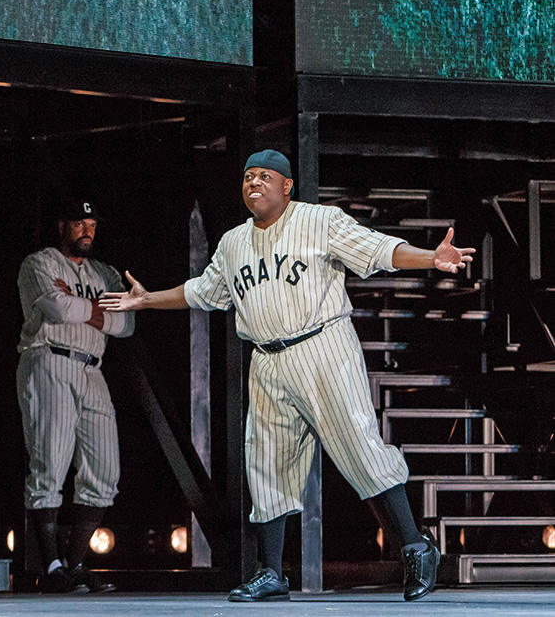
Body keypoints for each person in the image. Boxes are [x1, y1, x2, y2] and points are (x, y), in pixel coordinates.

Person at [100, 150, 472, 602]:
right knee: (266, 463)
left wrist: (431, 257)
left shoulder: (320, 221)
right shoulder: (233, 242)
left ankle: (416, 548)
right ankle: (271, 572)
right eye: (248, 176)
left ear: (287, 186)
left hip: (323, 348)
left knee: (360, 450)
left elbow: (379, 249)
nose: (254, 183)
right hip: (267, 359)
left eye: (265, 176)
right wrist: (147, 300)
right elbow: (204, 290)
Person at [16, 199, 135, 593]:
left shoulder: (104, 271)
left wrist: (81, 307)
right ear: (62, 225)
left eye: (92, 224)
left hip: (91, 366)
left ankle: (74, 563)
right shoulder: (40, 263)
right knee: (49, 463)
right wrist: (97, 310)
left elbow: (126, 323)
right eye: (79, 223)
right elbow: (55, 307)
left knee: (105, 472)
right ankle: (50, 567)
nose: (87, 230)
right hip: (49, 359)